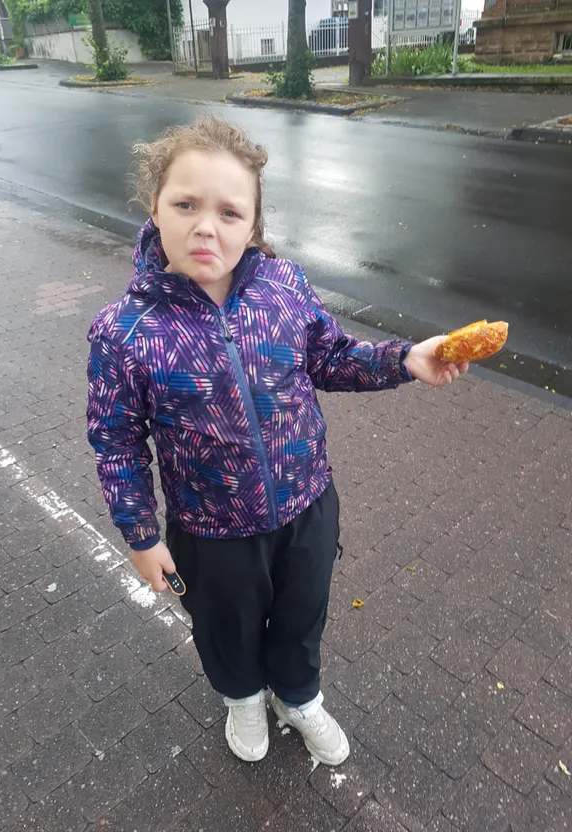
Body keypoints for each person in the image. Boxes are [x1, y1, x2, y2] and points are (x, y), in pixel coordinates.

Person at [87, 116, 468, 768]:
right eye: (186, 205)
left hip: (307, 509)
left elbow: (334, 359)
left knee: (301, 615)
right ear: (155, 207)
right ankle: (240, 696)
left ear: (253, 226)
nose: (207, 226)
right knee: (226, 628)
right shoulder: (126, 332)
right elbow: (116, 441)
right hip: (211, 533)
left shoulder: (283, 289)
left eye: (230, 212)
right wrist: (141, 534)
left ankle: (298, 695)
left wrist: (408, 360)